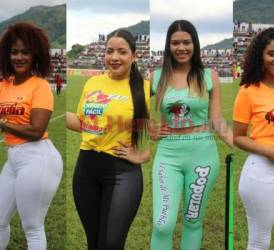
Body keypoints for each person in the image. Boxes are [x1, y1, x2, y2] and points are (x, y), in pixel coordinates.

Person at [150, 20, 233, 250]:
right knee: (162, 224)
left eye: (186, 42)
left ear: (194, 44)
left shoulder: (209, 75)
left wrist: (239, 142)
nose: (181, 47)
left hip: (202, 156)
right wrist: (148, 127)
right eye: (175, 43)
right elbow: (132, 108)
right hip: (168, 155)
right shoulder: (156, 77)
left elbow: (217, 119)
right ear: (168, 46)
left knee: (192, 221)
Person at [66, 29, 150, 250]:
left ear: (134, 56)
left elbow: (162, 131)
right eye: (109, 51)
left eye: (122, 52)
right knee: (94, 242)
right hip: (86, 168)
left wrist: (143, 154)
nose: (114, 57)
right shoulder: (92, 83)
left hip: (122, 171)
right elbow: (83, 122)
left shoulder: (145, 87)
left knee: (111, 243)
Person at [233, 28, 274, 249]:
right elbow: (238, 137)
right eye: (272, 54)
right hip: (262, 170)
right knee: (260, 240)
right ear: (260, 55)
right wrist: (267, 151)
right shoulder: (248, 91)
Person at [0, 22, 63, 250]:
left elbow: (36, 130)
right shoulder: (4, 85)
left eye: (25, 52)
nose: (18, 57)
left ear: (35, 55)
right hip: (14, 158)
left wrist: (3, 124)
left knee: (33, 227)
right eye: (14, 51)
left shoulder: (40, 86)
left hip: (38, 159)